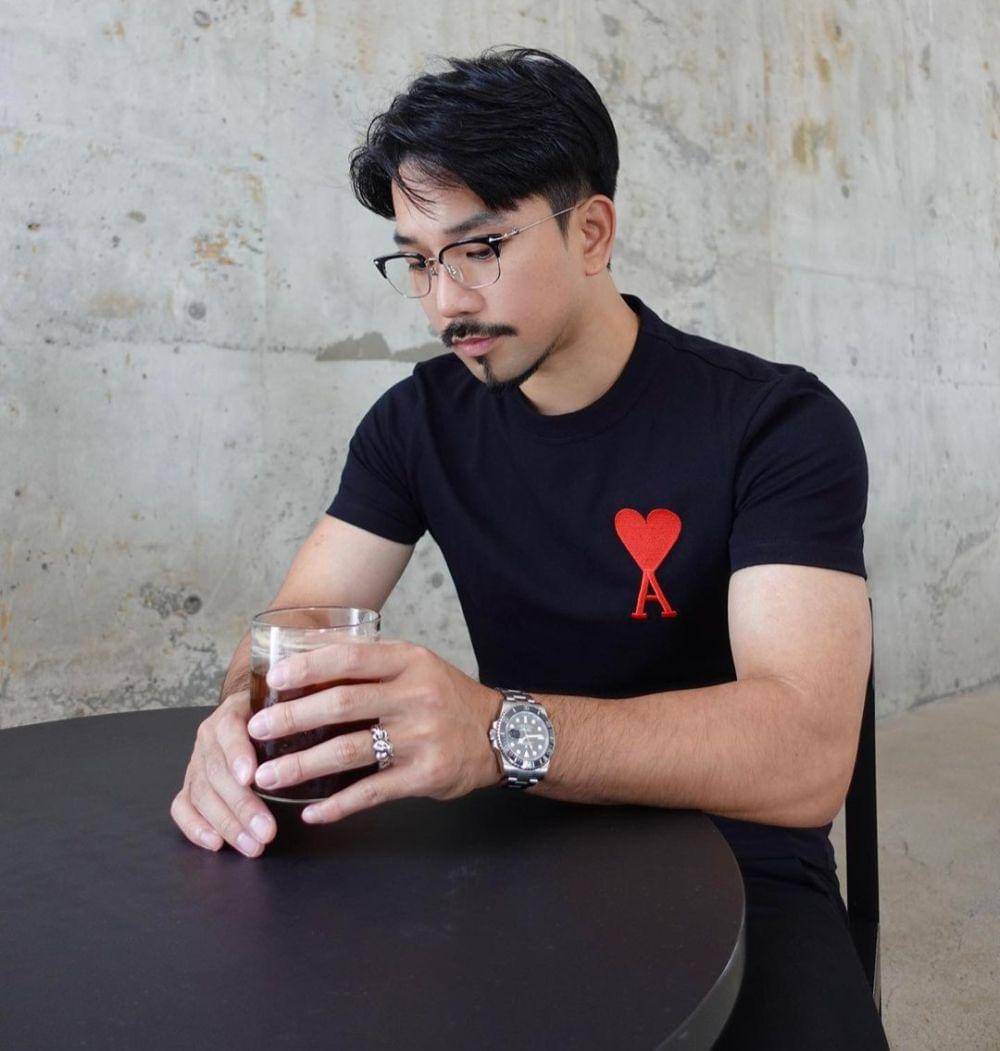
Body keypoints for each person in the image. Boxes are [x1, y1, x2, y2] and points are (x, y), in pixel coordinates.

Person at [170, 46, 889, 1049]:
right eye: (418, 260)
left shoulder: (773, 424)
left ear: (590, 231)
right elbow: (293, 626)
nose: (445, 301)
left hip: (742, 859)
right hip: (508, 837)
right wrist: (239, 714)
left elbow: (803, 756)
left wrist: (492, 730)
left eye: (478, 248)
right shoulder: (415, 424)